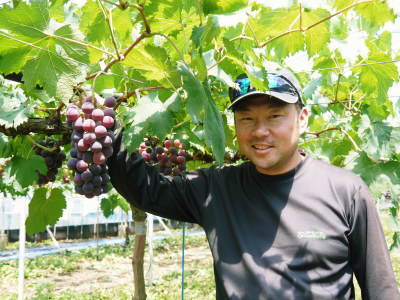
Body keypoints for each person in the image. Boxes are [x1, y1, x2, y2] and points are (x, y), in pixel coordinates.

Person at [107, 68, 399, 299]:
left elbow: (381, 289)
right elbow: (144, 188)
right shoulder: (215, 189)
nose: (260, 131)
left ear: (303, 118)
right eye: (246, 118)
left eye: (275, 116)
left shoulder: (346, 190)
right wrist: (108, 123)